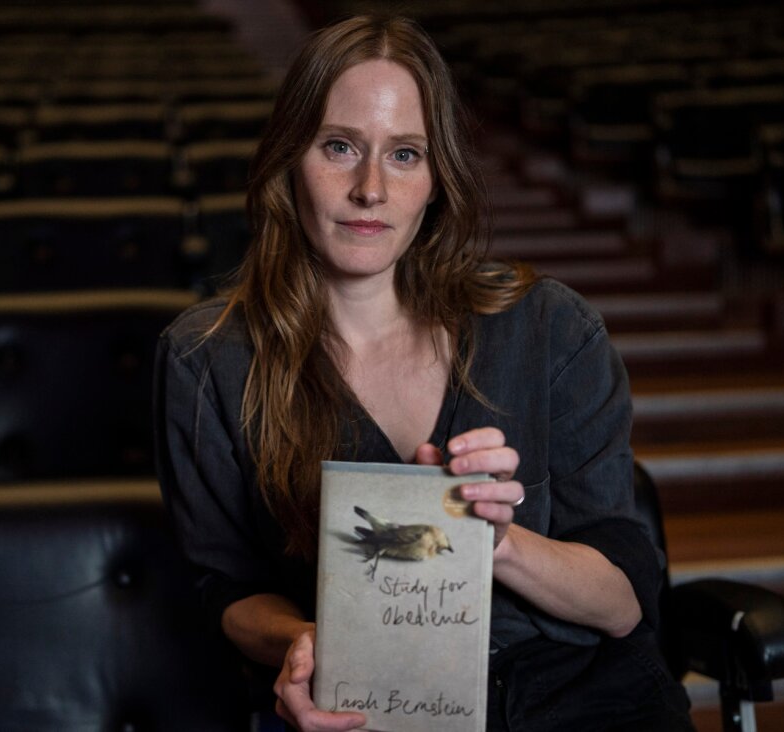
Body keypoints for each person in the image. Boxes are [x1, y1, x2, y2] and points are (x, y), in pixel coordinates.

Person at [154, 15, 694, 732]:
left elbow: (626, 603)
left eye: (405, 154)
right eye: (339, 147)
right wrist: (305, 644)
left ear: (438, 179)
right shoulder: (207, 358)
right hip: (376, 705)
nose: (370, 188)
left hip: (582, 697)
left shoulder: (550, 327)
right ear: (289, 159)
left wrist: (494, 540)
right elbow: (227, 592)